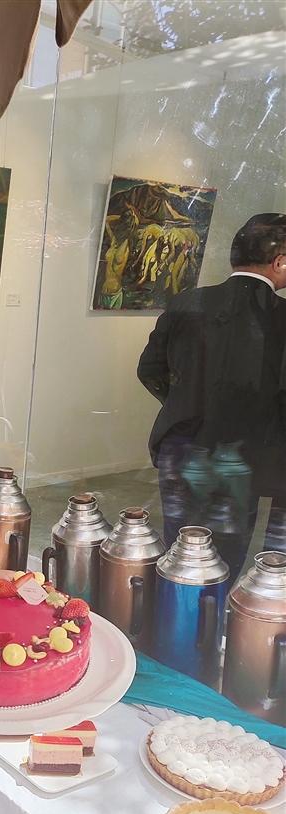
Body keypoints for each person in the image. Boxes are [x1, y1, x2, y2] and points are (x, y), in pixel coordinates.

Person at [137, 213, 286, 577]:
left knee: (180, 546)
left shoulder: (188, 302)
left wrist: (185, 403)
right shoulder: (281, 316)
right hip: (242, 452)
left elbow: (149, 369)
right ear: (280, 261)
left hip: (181, 441)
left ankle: (174, 607)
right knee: (224, 556)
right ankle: (208, 612)